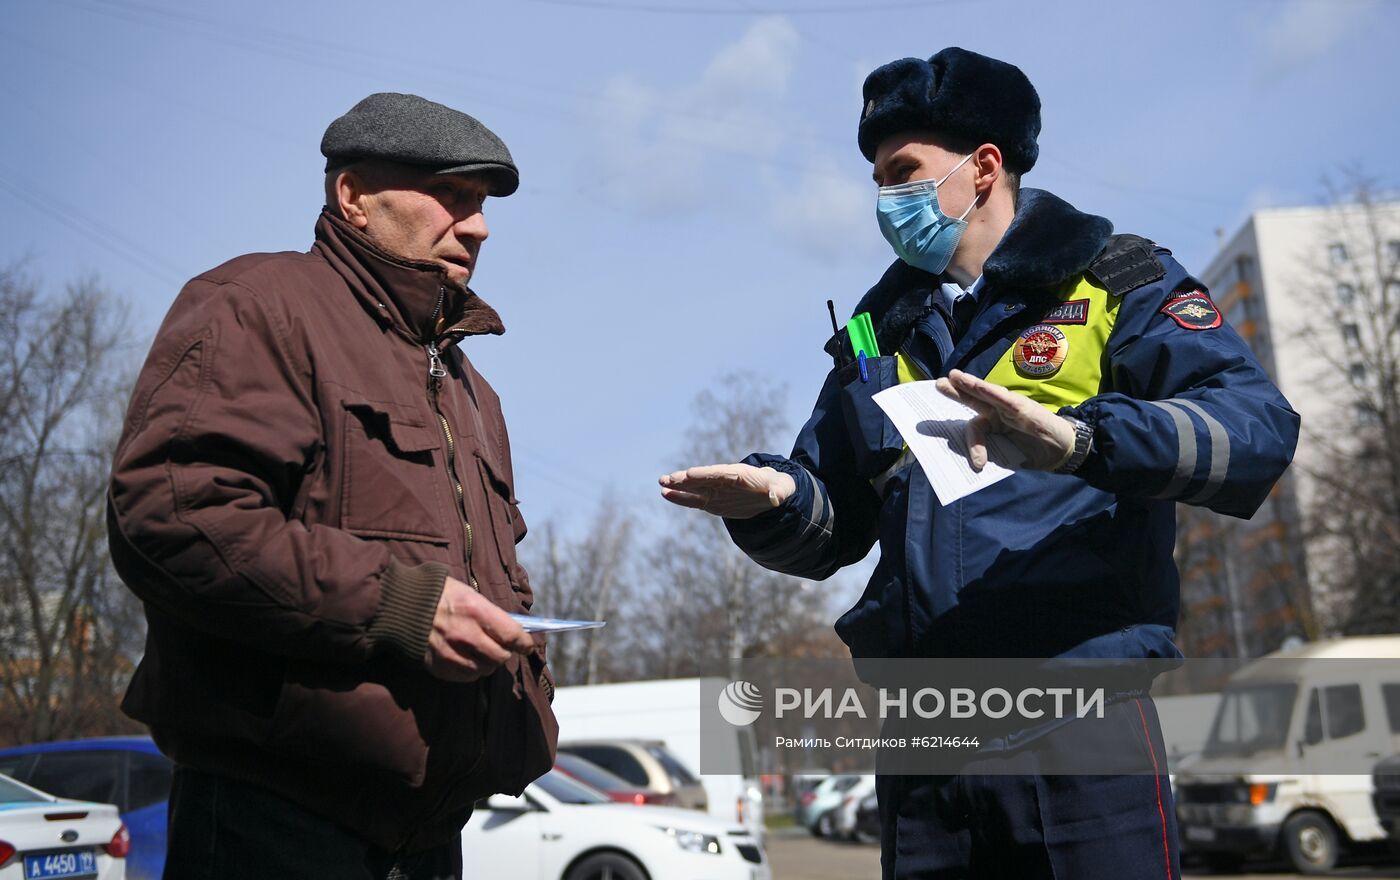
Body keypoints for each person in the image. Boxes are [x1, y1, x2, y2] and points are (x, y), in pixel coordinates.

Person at [660, 48, 1298, 879]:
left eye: (903, 172)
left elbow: (1254, 429)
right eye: (878, 181)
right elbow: (834, 524)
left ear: (984, 167)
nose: (886, 201)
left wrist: (1084, 441)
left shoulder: (1117, 280)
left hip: (1078, 720)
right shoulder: (874, 335)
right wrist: (775, 498)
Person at [107, 92, 557, 879]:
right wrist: (403, 606)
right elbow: (174, 518)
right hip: (274, 823)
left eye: (481, 206)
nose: (478, 225)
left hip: (428, 834)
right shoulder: (258, 306)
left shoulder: (470, 387)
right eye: (451, 196)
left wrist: (514, 661)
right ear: (352, 197)